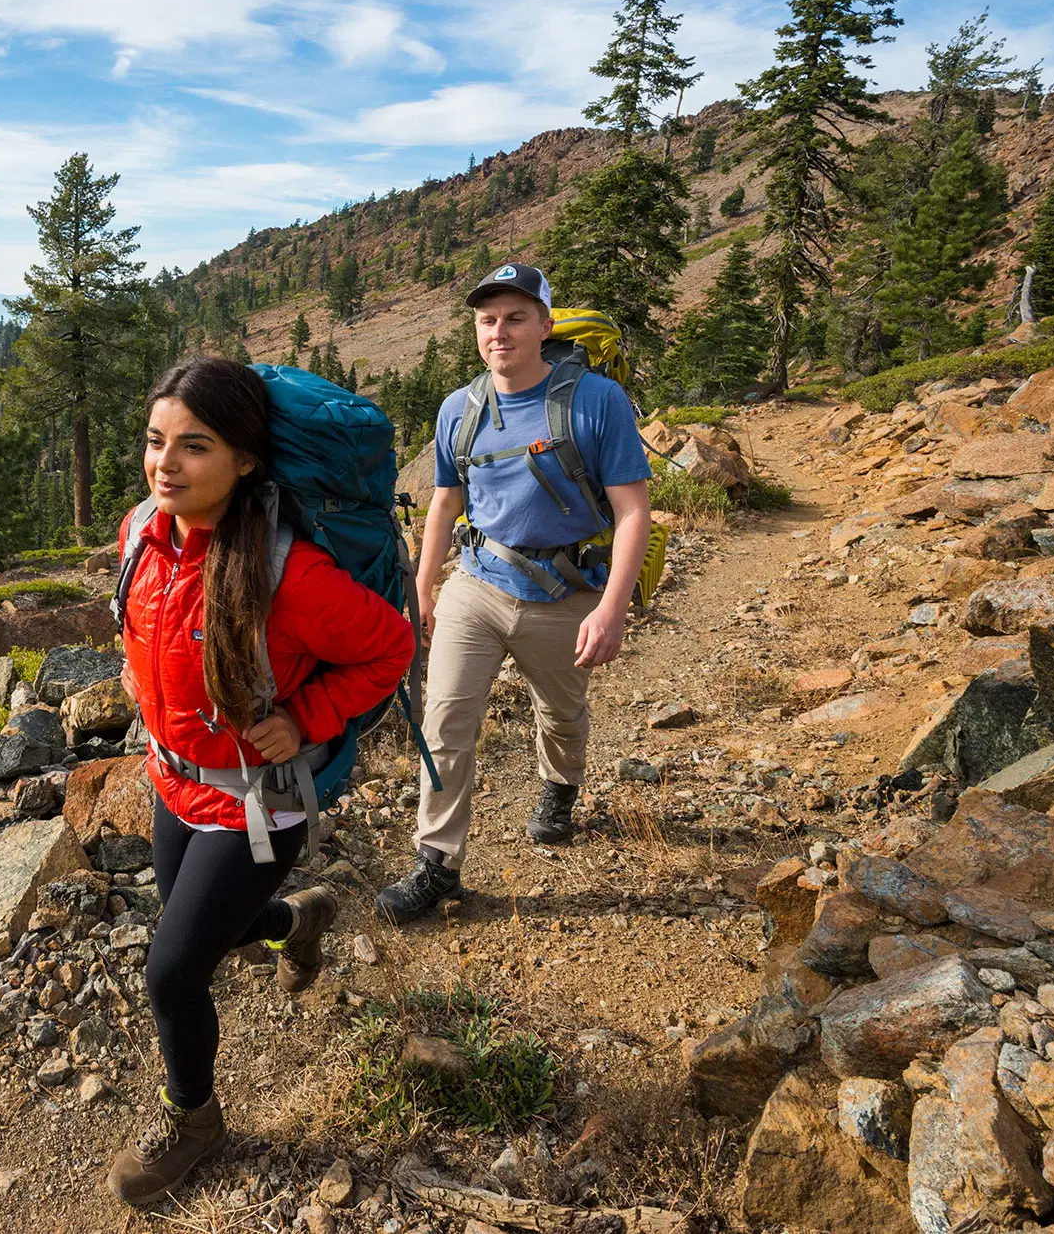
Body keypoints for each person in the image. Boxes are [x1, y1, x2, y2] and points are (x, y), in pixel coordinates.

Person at [107, 356, 415, 1205]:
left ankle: (195, 1119)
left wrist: (310, 718)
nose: (165, 464)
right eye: (155, 440)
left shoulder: (289, 574)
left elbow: (389, 647)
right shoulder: (144, 531)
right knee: (219, 932)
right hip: (177, 782)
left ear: (245, 459)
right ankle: (294, 919)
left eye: (194, 446)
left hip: (261, 797)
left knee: (170, 971)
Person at [376, 264, 651, 926]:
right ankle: (437, 862)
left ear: (545, 325)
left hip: (566, 592)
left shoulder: (598, 401)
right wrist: (424, 591)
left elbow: (634, 510)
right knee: (445, 721)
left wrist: (613, 607)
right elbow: (443, 503)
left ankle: (559, 788)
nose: (499, 331)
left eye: (515, 316)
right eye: (487, 319)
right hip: (478, 586)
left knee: (561, 713)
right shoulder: (459, 410)